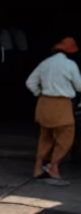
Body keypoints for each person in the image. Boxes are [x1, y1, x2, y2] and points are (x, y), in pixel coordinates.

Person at [25, 37, 81, 184]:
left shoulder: (45, 63)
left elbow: (30, 82)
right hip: (61, 104)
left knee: (45, 136)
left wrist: (39, 93)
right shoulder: (70, 64)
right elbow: (79, 86)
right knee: (66, 136)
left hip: (44, 103)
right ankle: (53, 166)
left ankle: (37, 168)